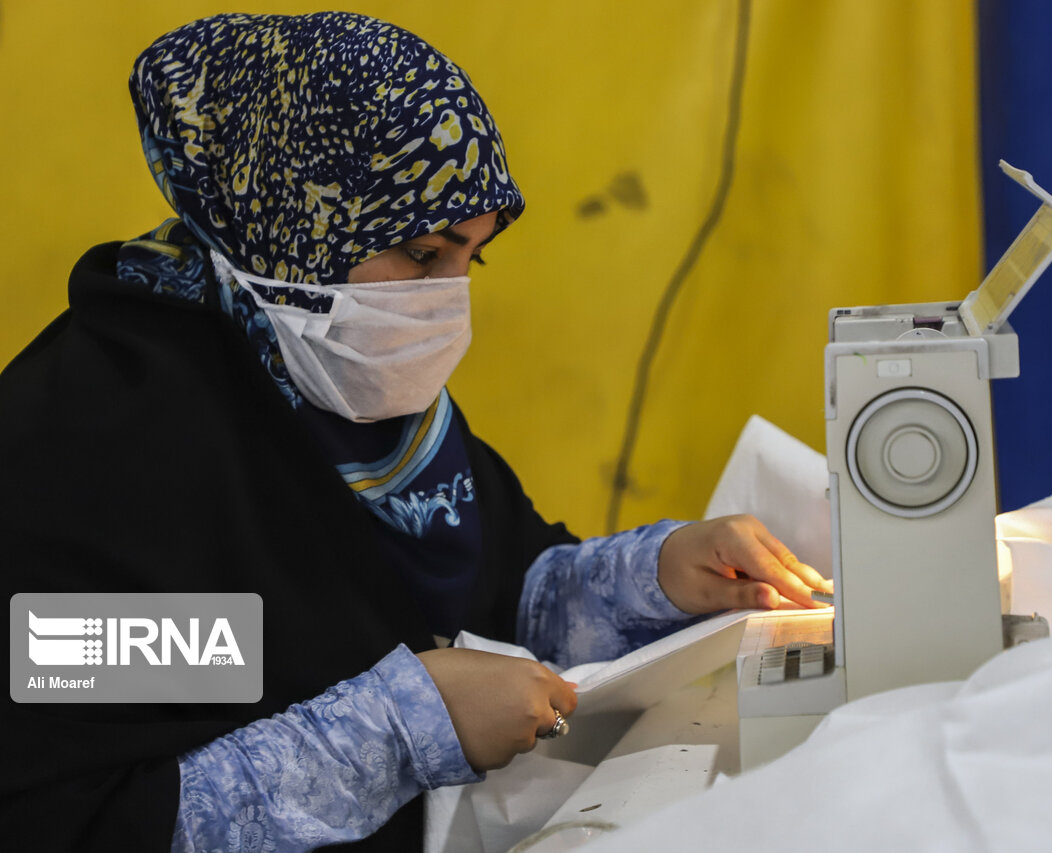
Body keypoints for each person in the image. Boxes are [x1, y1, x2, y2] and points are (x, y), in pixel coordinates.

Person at [0, 12, 830, 853]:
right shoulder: (90, 455)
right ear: (296, 219)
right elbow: (72, 814)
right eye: (425, 255)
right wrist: (400, 731)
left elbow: (493, 596)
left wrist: (650, 578)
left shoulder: (345, 390)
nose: (445, 303)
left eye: (474, 256)